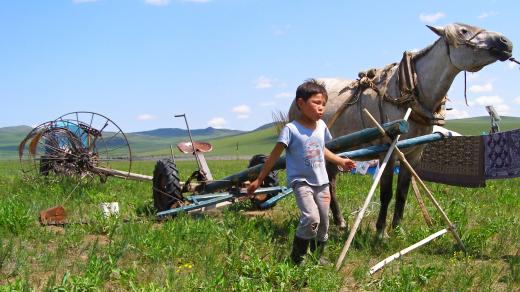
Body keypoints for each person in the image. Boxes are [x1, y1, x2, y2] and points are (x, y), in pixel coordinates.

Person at [247, 79, 356, 265]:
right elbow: (273, 157)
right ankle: (297, 258)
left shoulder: (321, 127)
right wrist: (258, 180)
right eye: (316, 103)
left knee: (323, 222)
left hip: (322, 182)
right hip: (301, 182)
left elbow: (321, 148)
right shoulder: (291, 130)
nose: (321, 108)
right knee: (311, 217)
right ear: (300, 103)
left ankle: (317, 256)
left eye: (323, 104)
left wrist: (340, 160)